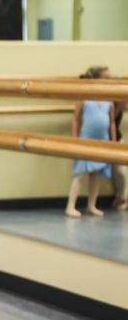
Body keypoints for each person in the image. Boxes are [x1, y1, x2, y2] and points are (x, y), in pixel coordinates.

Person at [66, 66, 117, 218]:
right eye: (106, 78)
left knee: (96, 175)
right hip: (86, 140)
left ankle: (91, 205)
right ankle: (70, 206)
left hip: (102, 140)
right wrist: (74, 138)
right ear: (96, 79)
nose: (109, 81)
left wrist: (113, 140)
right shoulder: (86, 96)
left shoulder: (109, 99)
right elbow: (76, 118)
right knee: (81, 174)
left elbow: (112, 122)